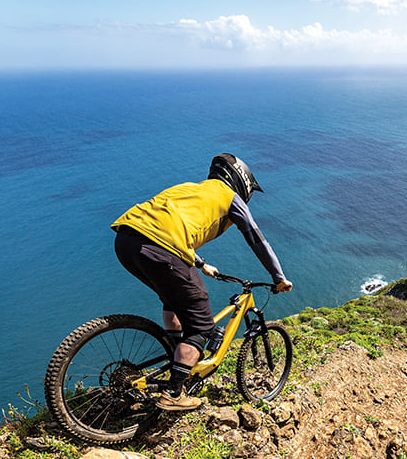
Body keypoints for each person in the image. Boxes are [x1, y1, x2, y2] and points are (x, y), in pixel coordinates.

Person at [112, 154, 293, 411]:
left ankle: (177, 360)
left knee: (172, 300)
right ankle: (174, 393)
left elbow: (171, 225)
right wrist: (279, 277)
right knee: (201, 327)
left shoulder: (191, 189)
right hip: (162, 248)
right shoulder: (231, 198)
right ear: (241, 182)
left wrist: (200, 263)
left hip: (126, 240)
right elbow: (256, 238)